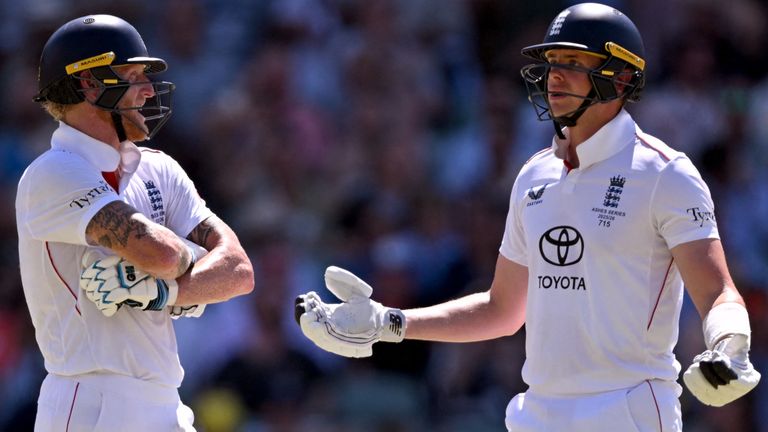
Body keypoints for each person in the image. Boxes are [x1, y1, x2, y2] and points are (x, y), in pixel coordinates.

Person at [295, 3, 761, 431]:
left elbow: (718, 291)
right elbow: (503, 309)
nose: (554, 78)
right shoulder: (534, 175)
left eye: (573, 65)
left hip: (628, 413)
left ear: (620, 79)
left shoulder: (666, 173)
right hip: (537, 414)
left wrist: (730, 345)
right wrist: (389, 323)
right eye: (552, 64)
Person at [16, 14, 254, 431]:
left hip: (165, 401)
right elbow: (156, 252)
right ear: (89, 84)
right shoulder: (51, 172)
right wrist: (194, 260)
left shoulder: (159, 168)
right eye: (133, 76)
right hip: (90, 402)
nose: (147, 91)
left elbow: (239, 271)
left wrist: (164, 293)